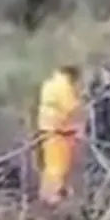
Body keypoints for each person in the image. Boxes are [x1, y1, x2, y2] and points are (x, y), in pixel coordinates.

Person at [35, 65, 84, 206]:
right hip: (59, 130)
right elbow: (72, 107)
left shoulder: (49, 84)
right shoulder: (64, 86)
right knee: (59, 164)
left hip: (47, 129)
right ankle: (53, 195)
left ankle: (47, 192)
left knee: (50, 163)